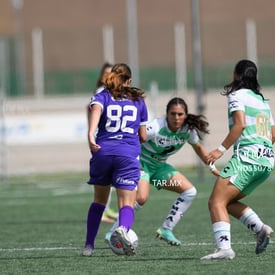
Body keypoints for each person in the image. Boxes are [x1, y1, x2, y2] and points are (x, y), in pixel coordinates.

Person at [106, 97, 210, 246]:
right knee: (141, 198)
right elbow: (132, 140)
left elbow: (199, 148)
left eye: (180, 114)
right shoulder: (156, 127)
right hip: (141, 165)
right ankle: (114, 232)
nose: (176, 118)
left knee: (189, 191)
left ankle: (166, 229)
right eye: (172, 114)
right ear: (166, 114)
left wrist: (211, 165)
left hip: (159, 170)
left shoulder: (188, 130)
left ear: (186, 115)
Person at [201, 59, 275, 260]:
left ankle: (225, 249)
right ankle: (260, 229)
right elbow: (273, 136)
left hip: (247, 159)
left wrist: (219, 150)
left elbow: (240, 124)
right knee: (227, 201)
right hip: (267, 161)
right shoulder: (262, 101)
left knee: (215, 201)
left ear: (237, 75)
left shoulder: (237, 95)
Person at [82, 63, 148, 257]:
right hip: (127, 155)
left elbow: (94, 115)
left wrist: (91, 135)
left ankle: (88, 245)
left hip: (103, 153)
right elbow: (143, 136)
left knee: (99, 200)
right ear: (129, 81)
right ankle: (123, 229)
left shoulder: (101, 96)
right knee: (126, 203)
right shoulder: (138, 101)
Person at [87, 62, 118, 224]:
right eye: (106, 74)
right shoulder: (101, 93)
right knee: (106, 178)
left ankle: (106, 208)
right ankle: (103, 210)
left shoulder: (113, 92)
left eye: (111, 73)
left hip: (110, 141)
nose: (109, 77)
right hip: (103, 142)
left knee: (112, 178)